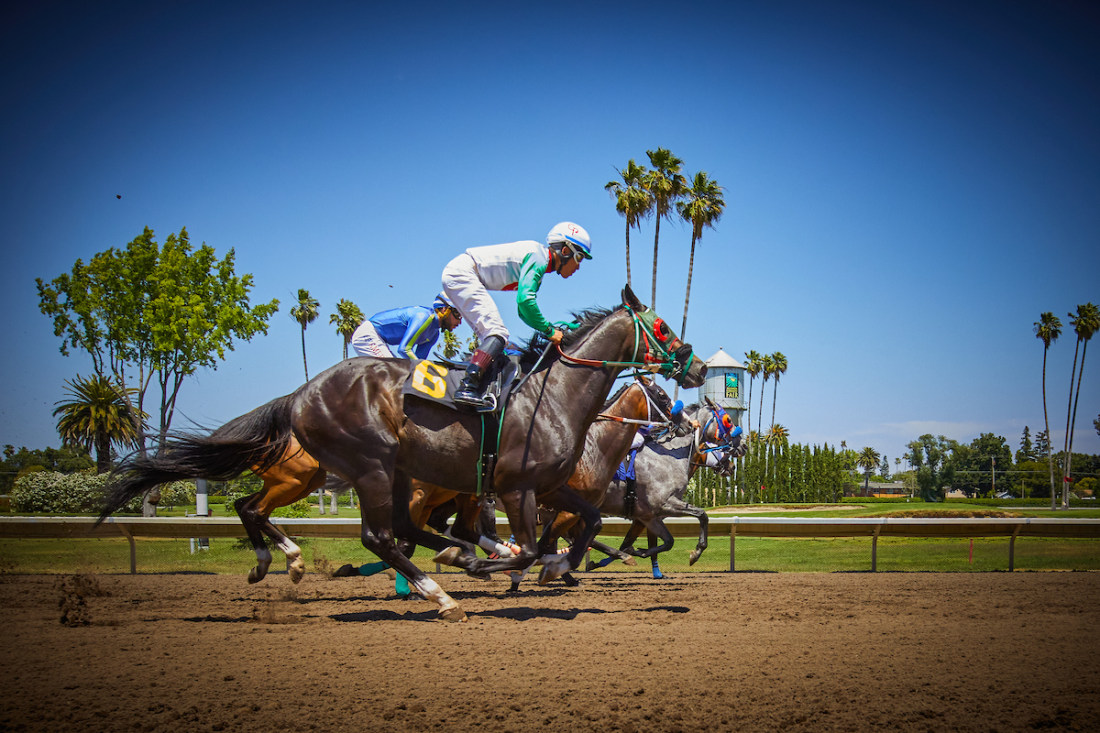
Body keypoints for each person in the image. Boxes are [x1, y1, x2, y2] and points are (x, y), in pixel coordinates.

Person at [441, 221, 592, 409]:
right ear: (566, 251)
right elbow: (525, 303)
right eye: (580, 258)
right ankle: (467, 387)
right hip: (463, 273)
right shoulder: (539, 259)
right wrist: (548, 330)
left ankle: (479, 387)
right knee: (497, 333)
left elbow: (523, 311)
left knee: (495, 340)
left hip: (460, 273)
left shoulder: (539, 260)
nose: (578, 267)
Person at [350, 294, 463, 360]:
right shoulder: (424, 317)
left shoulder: (434, 334)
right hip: (368, 334)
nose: (460, 321)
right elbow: (404, 349)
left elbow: (418, 362)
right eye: (457, 314)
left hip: (380, 339)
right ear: (444, 310)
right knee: (392, 371)